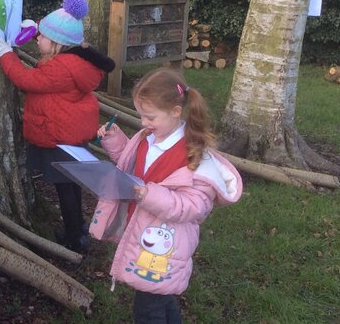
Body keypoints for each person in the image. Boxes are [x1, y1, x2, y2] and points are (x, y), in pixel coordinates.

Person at [89, 68, 242, 323]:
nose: (143, 123)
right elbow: (133, 165)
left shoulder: (194, 156)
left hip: (167, 245)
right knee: (160, 296)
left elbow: (194, 206)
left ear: (175, 112)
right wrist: (115, 141)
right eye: (141, 116)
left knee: (148, 310)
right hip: (144, 232)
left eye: (150, 117)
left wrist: (151, 195)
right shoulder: (147, 137)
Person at [0, 0, 115, 253]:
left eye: (42, 37)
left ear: (56, 43)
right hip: (70, 135)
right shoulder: (73, 61)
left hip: (60, 137)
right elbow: (43, 38)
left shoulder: (59, 69)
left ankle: (74, 238)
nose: (38, 39)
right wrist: (29, 27)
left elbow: (26, 80)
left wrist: (5, 54)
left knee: (64, 186)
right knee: (69, 184)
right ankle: (77, 228)